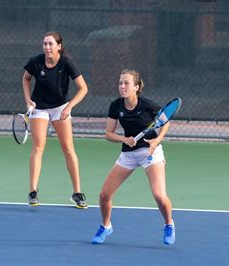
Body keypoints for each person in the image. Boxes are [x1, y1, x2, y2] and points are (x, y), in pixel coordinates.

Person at [91, 69, 175, 245]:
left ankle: (169, 224)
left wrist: (156, 140)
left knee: (159, 195)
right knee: (104, 195)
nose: (122, 86)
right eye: (120, 83)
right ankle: (106, 226)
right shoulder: (116, 106)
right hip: (128, 154)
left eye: (126, 83)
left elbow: (165, 122)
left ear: (136, 87)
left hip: (150, 152)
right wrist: (124, 139)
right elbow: (108, 133)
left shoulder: (147, 105)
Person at [21, 31, 89, 209]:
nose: (47, 47)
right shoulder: (36, 62)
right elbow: (26, 78)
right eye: (45, 44)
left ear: (59, 46)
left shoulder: (67, 62)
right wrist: (28, 99)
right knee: (38, 147)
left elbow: (83, 88)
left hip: (60, 107)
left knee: (68, 148)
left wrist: (68, 107)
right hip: (39, 108)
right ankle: (33, 191)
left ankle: (77, 193)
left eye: (51, 44)